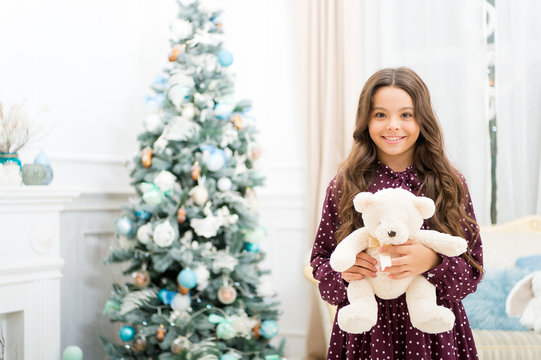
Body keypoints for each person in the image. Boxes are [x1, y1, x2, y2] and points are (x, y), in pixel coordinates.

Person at [310, 67, 483, 360]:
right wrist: (346, 273)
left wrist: (432, 260)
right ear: (365, 120)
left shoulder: (448, 183)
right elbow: (321, 262)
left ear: (422, 119)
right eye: (380, 115)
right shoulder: (345, 185)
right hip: (366, 335)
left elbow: (472, 268)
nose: (393, 125)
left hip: (432, 336)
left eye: (406, 114)